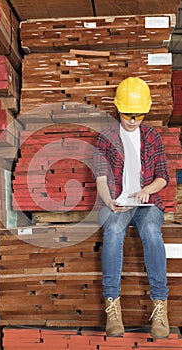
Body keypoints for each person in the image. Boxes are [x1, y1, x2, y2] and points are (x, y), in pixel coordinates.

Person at [93, 77, 170, 338]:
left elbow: (163, 177)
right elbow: (101, 177)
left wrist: (146, 191)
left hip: (147, 203)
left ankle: (161, 306)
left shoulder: (152, 136)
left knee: (151, 231)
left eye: (138, 115)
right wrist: (108, 201)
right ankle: (112, 306)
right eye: (128, 114)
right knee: (113, 232)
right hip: (116, 202)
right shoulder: (106, 137)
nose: (133, 120)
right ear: (118, 109)